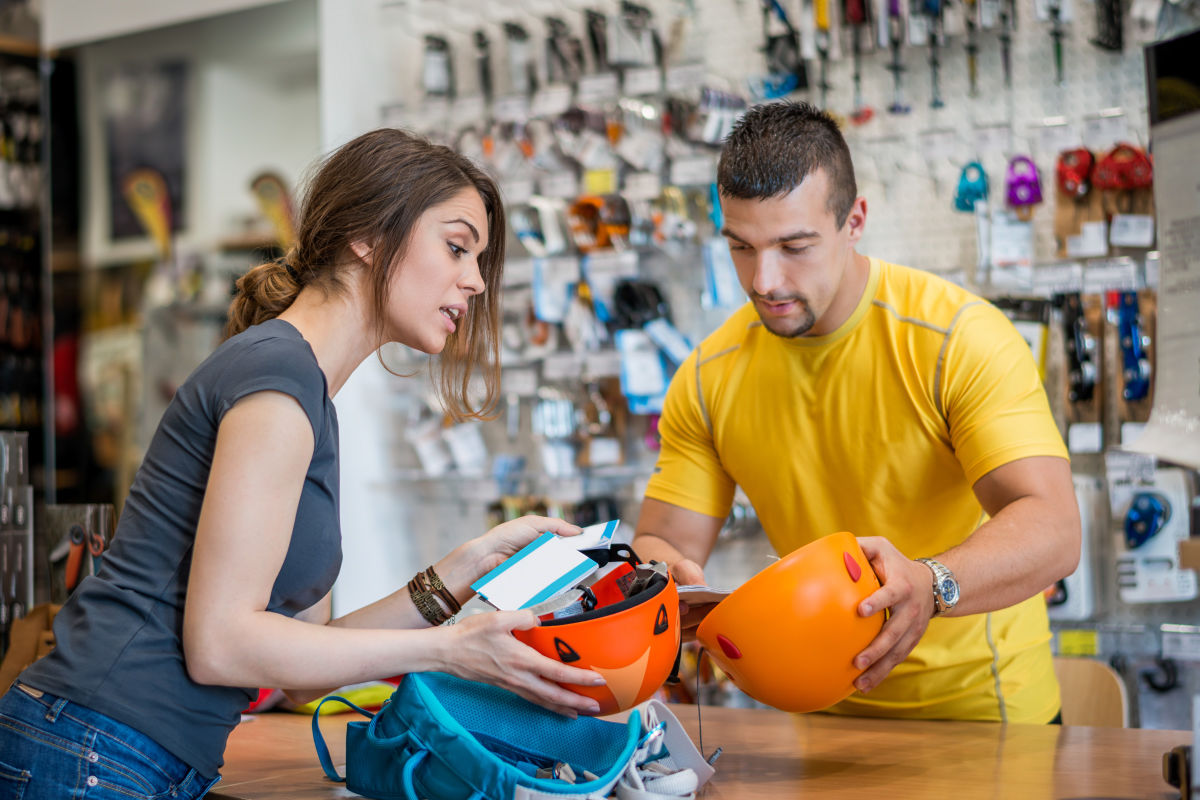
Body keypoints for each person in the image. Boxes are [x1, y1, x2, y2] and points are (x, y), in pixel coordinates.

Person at [0, 129, 606, 799]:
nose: (473, 279)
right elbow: (221, 645)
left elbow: (304, 664)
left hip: (130, 753)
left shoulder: (308, 396)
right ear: (368, 238)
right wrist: (447, 649)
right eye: (457, 247)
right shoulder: (278, 380)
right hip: (93, 744)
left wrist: (464, 570)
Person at [633, 102, 1080, 724]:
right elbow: (665, 540)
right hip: (817, 720)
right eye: (741, 246)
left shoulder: (956, 339)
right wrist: (667, 581)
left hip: (984, 717)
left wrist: (930, 582)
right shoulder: (708, 376)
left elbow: (1054, 529)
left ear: (855, 220)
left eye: (794, 246)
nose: (764, 279)